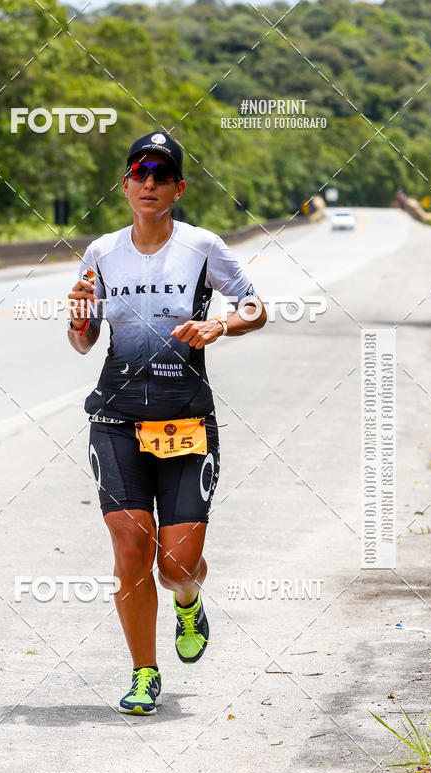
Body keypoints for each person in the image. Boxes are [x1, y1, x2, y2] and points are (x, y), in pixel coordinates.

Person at [67, 131, 266, 715]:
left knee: (175, 564)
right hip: (117, 418)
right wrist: (78, 319)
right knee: (131, 547)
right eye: (138, 172)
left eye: (161, 174)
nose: (148, 183)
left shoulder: (203, 246)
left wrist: (220, 325)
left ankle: (188, 600)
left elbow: (255, 306)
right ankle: (144, 673)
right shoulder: (101, 253)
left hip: (185, 422)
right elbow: (83, 343)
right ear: (125, 184)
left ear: (178, 187)